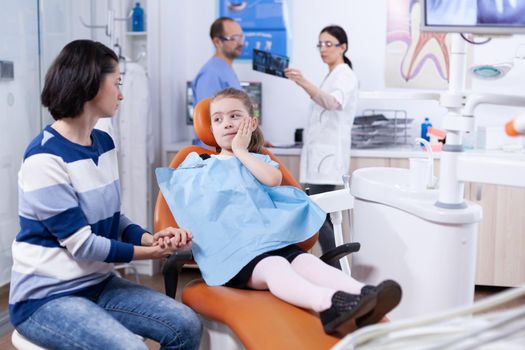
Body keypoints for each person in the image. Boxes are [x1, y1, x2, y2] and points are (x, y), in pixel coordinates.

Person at [156, 88, 402, 336]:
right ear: (211, 127)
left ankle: (365, 296)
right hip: (235, 254)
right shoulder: (196, 163)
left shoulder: (257, 160)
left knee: (307, 262)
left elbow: (273, 179)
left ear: (251, 123)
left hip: (272, 240)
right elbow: (188, 204)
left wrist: (241, 152)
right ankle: (329, 305)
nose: (226, 124)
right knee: (275, 266)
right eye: (218, 119)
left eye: (234, 116)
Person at [9, 40, 202, 350]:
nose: (122, 94)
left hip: (98, 285)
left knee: (186, 325)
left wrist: (151, 240)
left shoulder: (103, 143)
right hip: (45, 298)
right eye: (117, 83)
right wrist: (150, 255)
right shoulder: (44, 159)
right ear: (90, 85)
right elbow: (84, 245)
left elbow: (114, 219)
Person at [284, 25, 358, 268]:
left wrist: (303, 82)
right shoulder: (331, 74)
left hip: (327, 158)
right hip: (319, 157)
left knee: (319, 214)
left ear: (343, 47)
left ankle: (335, 269)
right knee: (321, 215)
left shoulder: (344, 74)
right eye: (320, 44)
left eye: (329, 44)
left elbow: (332, 102)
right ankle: (335, 269)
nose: (323, 49)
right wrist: (304, 84)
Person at [192, 16, 243, 107]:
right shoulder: (211, 74)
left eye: (241, 37)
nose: (241, 43)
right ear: (217, 42)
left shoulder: (225, 70)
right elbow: (208, 117)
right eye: (234, 38)